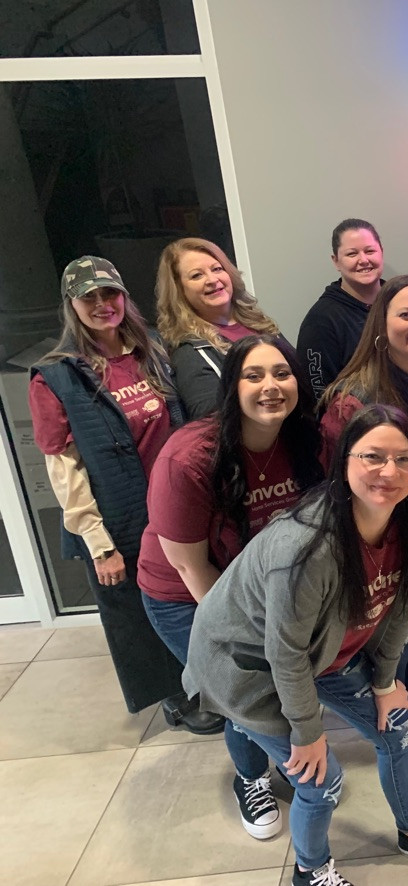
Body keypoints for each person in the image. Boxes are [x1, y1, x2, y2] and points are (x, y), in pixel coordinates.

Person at [182, 405, 408, 885]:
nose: (389, 472)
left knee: (400, 728)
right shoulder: (305, 547)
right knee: (321, 780)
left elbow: (399, 606)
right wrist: (307, 730)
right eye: (373, 457)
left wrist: (386, 682)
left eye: (404, 460)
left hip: (322, 651)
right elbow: (285, 653)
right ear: (344, 462)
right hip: (246, 665)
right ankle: (311, 870)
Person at [139, 334, 324, 840]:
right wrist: (255, 639)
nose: (271, 386)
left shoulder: (304, 441)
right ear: (231, 387)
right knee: (242, 691)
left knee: (271, 682)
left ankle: (270, 756)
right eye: (254, 375)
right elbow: (190, 568)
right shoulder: (190, 456)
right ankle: (252, 778)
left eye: (282, 374)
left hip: (261, 587)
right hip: (188, 594)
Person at [28, 256, 218, 732]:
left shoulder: (150, 349)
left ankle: (211, 680)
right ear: (72, 305)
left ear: (123, 297)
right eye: (88, 297)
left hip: (172, 503)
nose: (101, 304)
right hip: (117, 514)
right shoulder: (56, 376)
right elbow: (63, 468)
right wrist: (98, 543)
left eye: (109, 293)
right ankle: (175, 694)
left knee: (187, 598)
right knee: (135, 612)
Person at [321, 275, 408, 754]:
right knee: (390, 620)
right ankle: (393, 694)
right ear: (382, 325)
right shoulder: (356, 396)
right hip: (379, 529)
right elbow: (340, 481)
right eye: (406, 314)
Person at [155, 237, 283, 418]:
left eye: (217, 269)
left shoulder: (261, 324)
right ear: (179, 289)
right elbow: (212, 423)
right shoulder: (189, 353)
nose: (212, 279)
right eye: (197, 275)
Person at [297, 218, 386, 397]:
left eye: (370, 251)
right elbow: (318, 398)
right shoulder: (321, 320)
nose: (363, 260)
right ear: (336, 261)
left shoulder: (401, 303)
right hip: (357, 422)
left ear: (381, 253)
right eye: (352, 254)